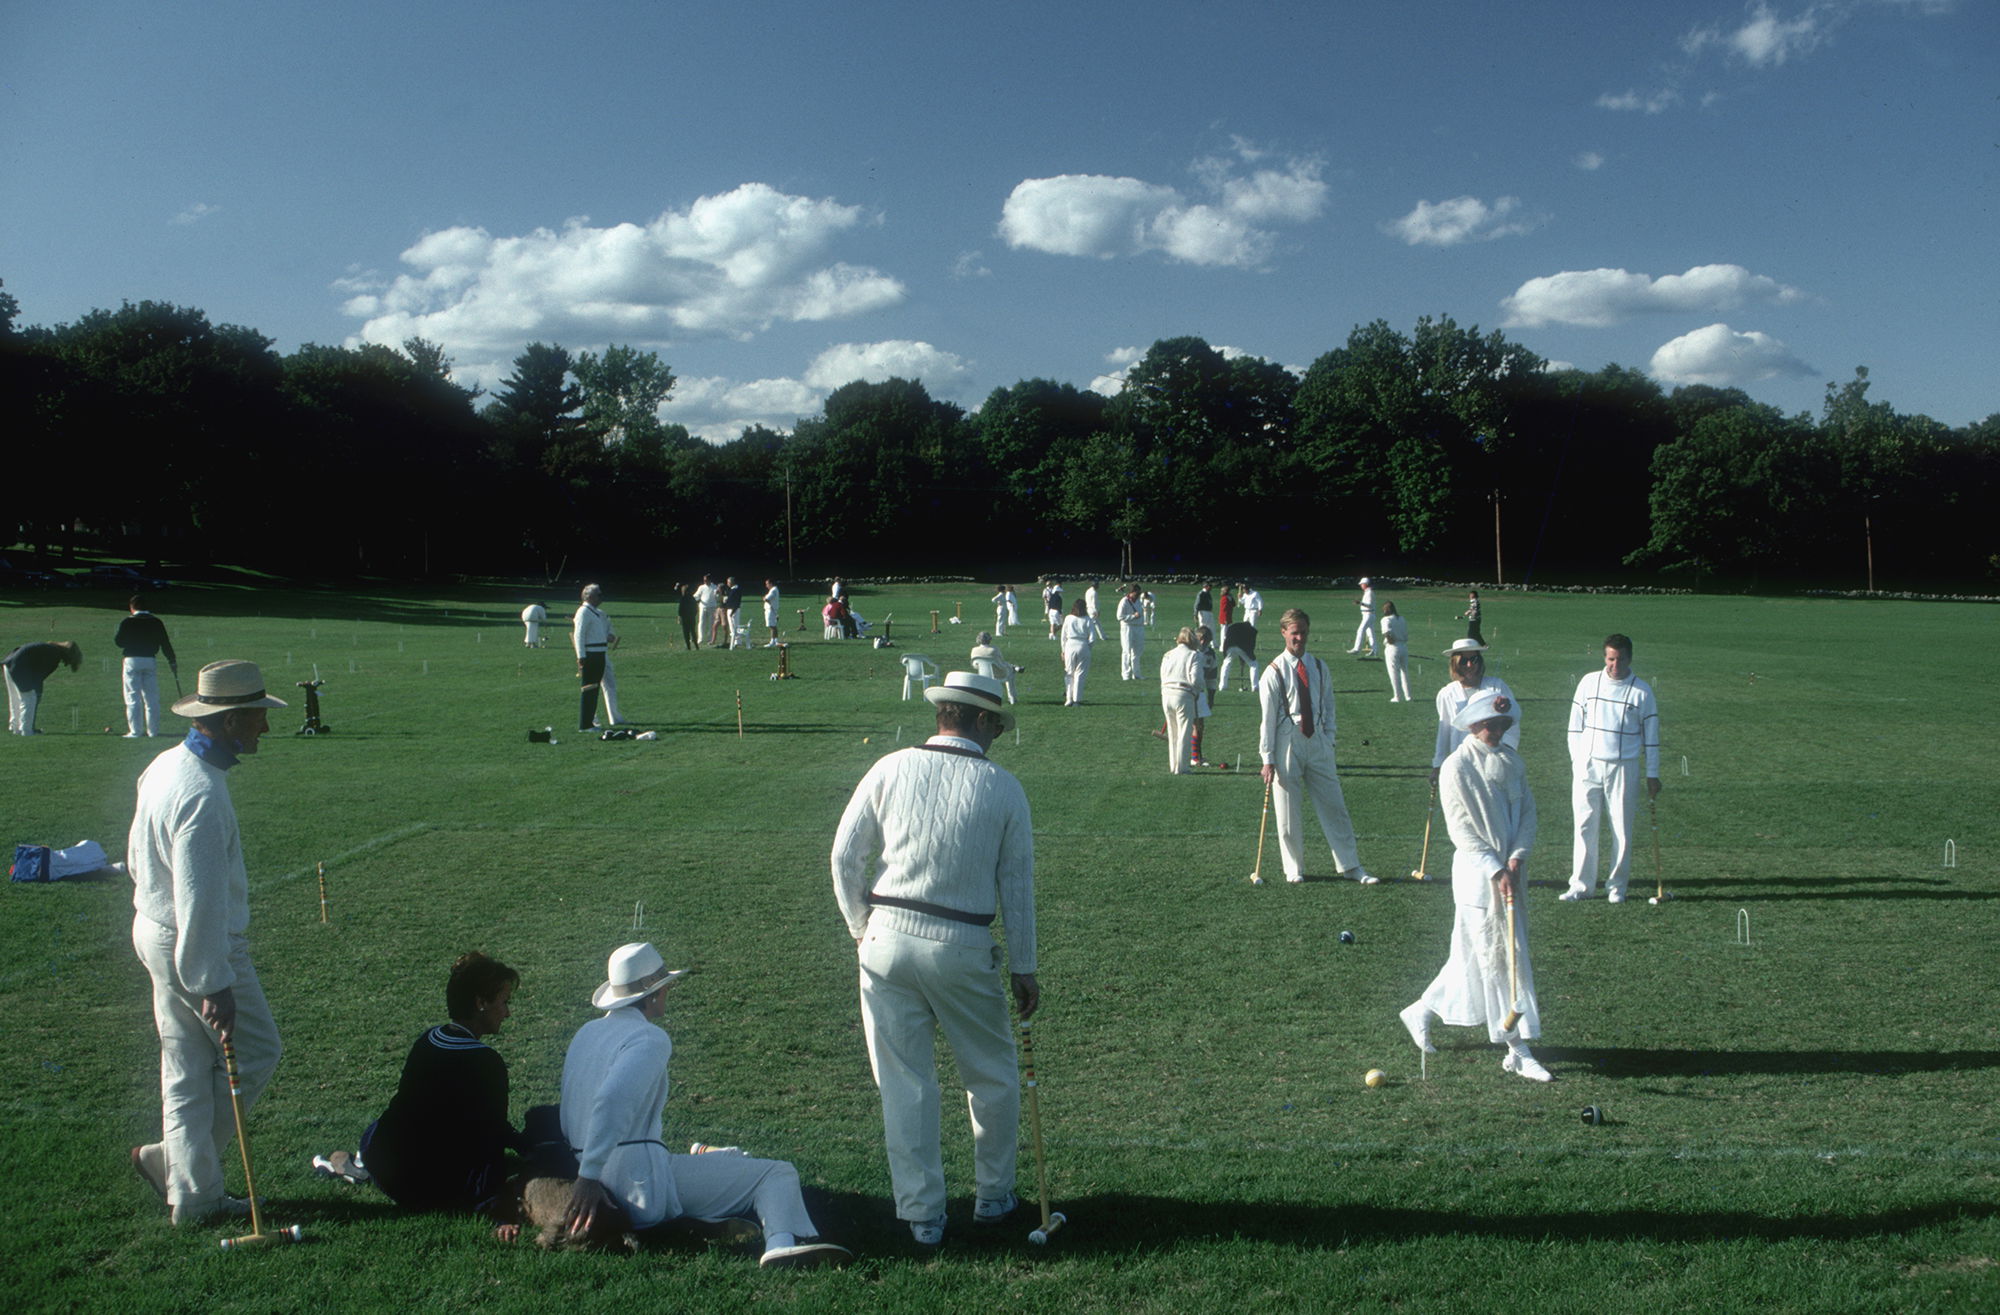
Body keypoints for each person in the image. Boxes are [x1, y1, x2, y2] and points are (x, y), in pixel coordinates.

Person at [831, 671, 1038, 1247]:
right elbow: (1016, 886)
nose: (996, 732)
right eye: (994, 722)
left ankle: (923, 1217)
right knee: (993, 1074)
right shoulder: (1003, 787)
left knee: (904, 1083)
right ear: (974, 719)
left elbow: (845, 857)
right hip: (961, 946)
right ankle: (994, 1196)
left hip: (885, 941)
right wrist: (1024, 965)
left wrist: (861, 928)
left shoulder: (889, 766)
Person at [559, 942, 850, 1268]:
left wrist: (583, 1170)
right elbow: (612, 1101)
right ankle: (781, 1244)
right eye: (665, 987)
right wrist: (588, 1177)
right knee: (776, 1173)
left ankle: (701, 1199)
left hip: (598, 1177)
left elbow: (572, 1109)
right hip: (637, 1186)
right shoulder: (649, 1038)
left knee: (730, 1163)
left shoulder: (585, 1033)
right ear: (653, 994)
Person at [127, 660, 288, 1225]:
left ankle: (191, 1195)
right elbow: (199, 901)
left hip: (151, 926)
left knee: (187, 1064)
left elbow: (136, 859)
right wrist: (211, 981)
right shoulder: (201, 795)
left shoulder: (164, 765)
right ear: (227, 721)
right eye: (256, 719)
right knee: (259, 1050)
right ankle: (183, 1170)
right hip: (191, 941)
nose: (264, 729)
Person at [1398, 686, 1551, 1082]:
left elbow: (1529, 812)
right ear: (1474, 724)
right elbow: (1461, 830)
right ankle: (1517, 1048)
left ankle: (1420, 1010)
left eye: (1501, 725)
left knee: (1471, 959)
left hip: (1512, 876)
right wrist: (1495, 869)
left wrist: (1518, 856)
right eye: (1489, 726)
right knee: (1499, 958)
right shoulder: (1456, 767)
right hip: (1477, 882)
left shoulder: (1512, 762)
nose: (1496, 732)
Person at [359, 952, 526, 1212]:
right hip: (426, 1185)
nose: (508, 1013)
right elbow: (490, 1137)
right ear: (481, 1002)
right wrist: (497, 1203)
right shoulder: (485, 1061)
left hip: (381, 1158)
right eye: (504, 1002)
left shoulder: (429, 1038)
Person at [1257, 610, 1377, 884]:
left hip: (1319, 740)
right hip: (1287, 739)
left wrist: (1329, 737)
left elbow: (1329, 705)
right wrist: (1267, 757)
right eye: (1294, 632)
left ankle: (1350, 866)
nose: (1299, 638)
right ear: (1284, 633)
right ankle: (1293, 869)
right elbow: (1266, 719)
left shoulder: (1320, 667)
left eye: (1303, 632)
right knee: (1287, 812)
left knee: (1335, 806)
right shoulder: (1273, 671)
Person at [1562, 634, 1662, 903]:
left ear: (1630, 658)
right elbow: (1574, 725)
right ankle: (1581, 886)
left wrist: (1653, 773)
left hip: (1624, 766)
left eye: (1620, 659)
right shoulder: (1588, 682)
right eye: (1610, 659)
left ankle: (1616, 887)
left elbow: (1651, 737)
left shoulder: (1642, 691)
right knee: (1584, 825)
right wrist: (1577, 760)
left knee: (1621, 828)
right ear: (1604, 657)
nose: (1614, 665)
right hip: (1588, 765)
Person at [1432, 639, 1520, 781]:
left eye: (1474, 659)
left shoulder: (1496, 686)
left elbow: (1513, 723)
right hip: (1463, 760)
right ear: (1455, 663)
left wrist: (1508, 750)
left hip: (1495, 758)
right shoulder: (1447, 693)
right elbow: (1444, 731)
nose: (1469, 665)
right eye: (1463, 661)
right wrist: (1438, 764)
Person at [115, 598, 178, 737]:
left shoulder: (127, 621)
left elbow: (118, 642)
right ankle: (153, 731)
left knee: (132, 696)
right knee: (151, 697)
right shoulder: (156, 622)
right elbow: (165, 643)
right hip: (150, 659)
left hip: (132, 660)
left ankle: (135, 731)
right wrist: (172, 660)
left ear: (132, 607)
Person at [4, 639, 82, 736]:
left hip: (9, 663)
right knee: (29, 698)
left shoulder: (51, 648)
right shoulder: (54, 656)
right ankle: (27, 731)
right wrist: (38, 693)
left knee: (15, 698)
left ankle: (16, 728)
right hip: (19, 666)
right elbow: (39, 676)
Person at [573, 583, 624, 731]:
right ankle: (586, 724)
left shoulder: (596, 612)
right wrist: (581, 656)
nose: (601, 597)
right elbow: (579, 635)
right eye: (598, 594)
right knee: (589, 689)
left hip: (599, 653)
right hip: (591, 654)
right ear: (589, 596)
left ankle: (590, 722)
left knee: (594, 689)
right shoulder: (583, 612)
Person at [1159, 627, 1202, 774]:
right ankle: (1182, 767)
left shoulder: (1168, 654)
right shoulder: (1193, 655)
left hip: (1166, 694)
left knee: (1173, 732)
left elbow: (1163, 675)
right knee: (1184, 731)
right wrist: (1197, 690)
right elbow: (1196, 679)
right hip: (1183, 694)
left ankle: (1174, 766)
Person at [1058, 598, 1102, 706]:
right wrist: (1088, 648)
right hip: (1083, 645)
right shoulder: (1087, 619)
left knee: (1069, 673)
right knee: (1080, 674)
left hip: (1070, 645)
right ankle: (1076, 700)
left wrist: (1063, 650)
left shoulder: (1068, 618)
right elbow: (1092, 638)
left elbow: (1063, 636)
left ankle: (1069, 698)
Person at [1191, 625, 1220, 766]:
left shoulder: (1211, 655)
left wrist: (1211, 698)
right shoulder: (1189, 652)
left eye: (1206, 640)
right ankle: (1194, 757)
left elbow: (1212, 678)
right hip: (1187, 693)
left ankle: (1198, 755)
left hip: (1201, 694)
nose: (1202, 643)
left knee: (1200, 726)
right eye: (1200, 639)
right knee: (1194, 725)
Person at [969, 632, 1019, 705]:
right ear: (989, 639)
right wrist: (1012, 667)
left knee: (1010, 669)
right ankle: (1012, 699)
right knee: (1011, 673)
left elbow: (974, 665)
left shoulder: (974, 650)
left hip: (982, 674)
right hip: (998, 674)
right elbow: (1002, 663)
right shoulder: (994, 649)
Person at [1381, 601, 1411, 703]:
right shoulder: (1401, 619)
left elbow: (1387, 633)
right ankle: (1408, 696)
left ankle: (1397, 696)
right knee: (1405, 672)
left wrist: (1391, 641)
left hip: (1392, 647)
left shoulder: (1386, 620)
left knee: (1393, 672)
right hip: (1403, 646)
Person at [1217, 618, 1258, 692]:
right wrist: (1248, 657)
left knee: (1226, 663)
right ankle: (1255, 687)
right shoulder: (1253, 631)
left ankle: (1222, 686)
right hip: (1242, 646)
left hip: (1229, 646)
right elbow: (1251, 645)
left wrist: (1225, 655)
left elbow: (1226, 640)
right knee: (1253, 664)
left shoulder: (1232, 627)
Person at [1116, 585, 1146, 680]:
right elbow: (1119, 616)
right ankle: (1125, 674)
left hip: (1138, 627)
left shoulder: (1138, 601)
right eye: (1137, 593)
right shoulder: (1124, 602)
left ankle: (1136, 673)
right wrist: (1132, 616)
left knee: (1137, 651)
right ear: (1132, 592)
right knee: (1126, 651)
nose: (1138, 595)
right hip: (1127, 628)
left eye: (1139, 593)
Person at [1348, 577, 1377, 657]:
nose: (1361, 585)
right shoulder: (1368, 592)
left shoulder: (1369, 592)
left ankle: (1356, 649)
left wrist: (1360, 603)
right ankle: (1374, 651)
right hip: (1367, 615)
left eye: (1361, 584)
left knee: (1360, 630)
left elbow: (1370, 605)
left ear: (1365, 584)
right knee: (1370, 633)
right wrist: (1361, 603)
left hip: (1369, 615)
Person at [694, 575, 719, 648]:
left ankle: (710, 638)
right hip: (703, 607)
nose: (705, 581)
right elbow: (697, 595)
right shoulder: (701, 587)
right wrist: (693, 598)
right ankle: (700, 639)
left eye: (706, 580)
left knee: (711, 623)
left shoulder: (715, 587)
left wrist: (717, 593)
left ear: (710, 580)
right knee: (701, 622)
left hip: (712, 607)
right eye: (704, 580)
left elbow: (717, 596)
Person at [676, 584, 699, 651]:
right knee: (693, 631)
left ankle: (688, 646)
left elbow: (680, 609)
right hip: (692, 617)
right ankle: (696, 645)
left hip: (684, 617)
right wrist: (694, 614)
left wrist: (679, 616)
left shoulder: (683, 598)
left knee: (686, 632)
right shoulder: (692, 598)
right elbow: (696, 608)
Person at [762, 579, 782, 647]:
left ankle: (772, 641)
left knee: (772, 626)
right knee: (773, 625)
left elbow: (767, 599)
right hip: (771, 609)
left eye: (767, 584)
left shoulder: (773, 590)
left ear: (771, 583)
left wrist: (764, 598)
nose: (766, 585)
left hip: (770, 609)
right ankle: (775, 640)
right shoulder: (774, 590)